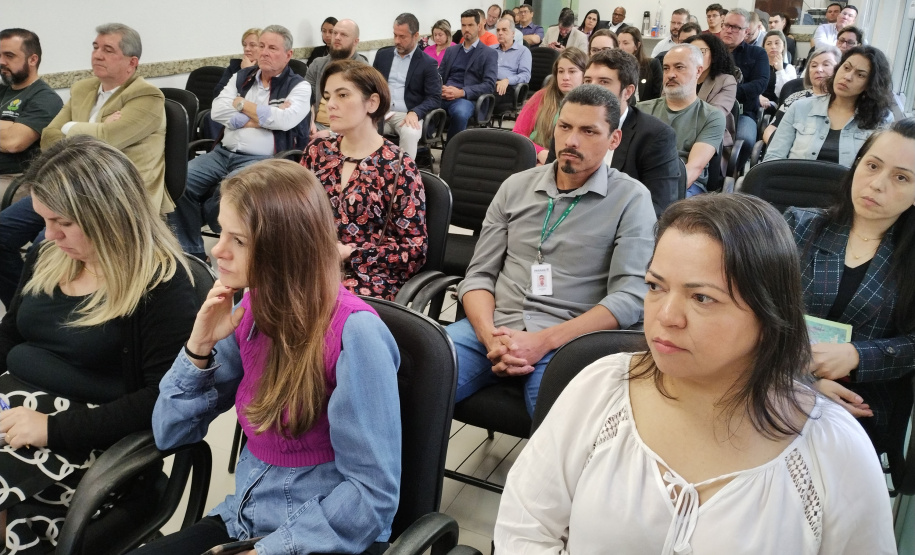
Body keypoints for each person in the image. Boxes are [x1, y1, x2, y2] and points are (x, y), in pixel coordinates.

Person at [494, 193, 896, 554]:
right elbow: (525, 526)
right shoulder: (601, 388)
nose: (665, 317)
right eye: (655, 286)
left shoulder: (834, 450)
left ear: (768, 312)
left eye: (702, 297)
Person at [130, 159, 401, 555]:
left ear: (283, 249)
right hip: (244, 518)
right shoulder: (253, 308)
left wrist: (268, 551)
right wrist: (199, 346)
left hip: (320, 536)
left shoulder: (355, 335)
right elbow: (170, 430)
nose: (217, 250)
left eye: (237, 241)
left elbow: (372, 496)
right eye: (220, 232)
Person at [0, 135, 196, 554]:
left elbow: (157, 400)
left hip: (87, 438)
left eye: (62, 223)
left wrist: (52, 429)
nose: (49, 235)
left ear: (107, 215)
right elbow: (11, 333)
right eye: (44, 221)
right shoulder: (52, 255)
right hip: (14, 410)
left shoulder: (163, 285)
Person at [448, 84, 655, 415]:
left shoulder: (631, 199)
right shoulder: (516, 187)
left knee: (559, 434)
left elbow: (630, 298)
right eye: (565, 127)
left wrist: (542, 342)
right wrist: (490, 337)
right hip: (496, 328)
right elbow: (479, 276)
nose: (572, 141)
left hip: (570, 340)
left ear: (614, 139)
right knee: (409, 383)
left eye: (589, 131)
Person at [784, 119, 915, 477]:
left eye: (901, 177)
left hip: (861, 402)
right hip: (778, 376)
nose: (877, 184)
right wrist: (805, 380)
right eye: (872, 166)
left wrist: (858, 355)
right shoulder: (799, 226)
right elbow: (758, 312)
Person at [1, 23, 164, 309]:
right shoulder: (82, 88)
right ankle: (23, 305)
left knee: (47, 247)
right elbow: (50, 138)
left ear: (132, 62)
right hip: (66, 186)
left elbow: (109, 139)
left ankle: (61, 315)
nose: (97, 55)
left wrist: (72, 127)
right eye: (95, 47)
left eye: (108, 49)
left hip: (111, 193)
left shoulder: (147, 96)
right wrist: (93, 128)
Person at [169, 25, 312, 262]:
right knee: (177, 182)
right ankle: (193, 254)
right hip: (222, 153)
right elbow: (216, 111)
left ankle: (229, 239)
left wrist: (239, 104)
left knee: (227, 195)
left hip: (264, 159)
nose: (264, 52)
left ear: (288, 54)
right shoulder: (241, 77)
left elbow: (284, 121)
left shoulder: (299, 86)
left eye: (272, 48)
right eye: (262, 46)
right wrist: (260, 118)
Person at [301, 60, 427, 301]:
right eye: (327, 96)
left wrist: (352, 253)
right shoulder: (317, 151)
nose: (330, 105)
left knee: (323, 307)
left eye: (343, 95)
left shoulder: (399, 167)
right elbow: (296, 212)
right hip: (311, 265)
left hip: (366, 275)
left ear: (372, 102)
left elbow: (415, 250)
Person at [578, 50, 680, 216]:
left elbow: (658, 208)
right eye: (588, 81)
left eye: (604, 82)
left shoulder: (655, 136)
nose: (592, 89)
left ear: (628, 91)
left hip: (620, 226)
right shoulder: (568, 127)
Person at [764, 46, 894, 167]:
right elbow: (774, 157)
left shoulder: (881, 118)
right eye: (846, 68)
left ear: (871, 84)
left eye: (860, 75)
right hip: (795, 186)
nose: (847, 77)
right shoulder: (800, 108)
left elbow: (879, 169)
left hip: (847, 191)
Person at [639, 44, 725, 195]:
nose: (670, 74)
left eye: (679, 67)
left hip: (685, 185)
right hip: (640, 180)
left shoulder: (712, 116)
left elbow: (693, 169)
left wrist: (653, 195)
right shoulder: (641, 110)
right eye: (666, 68)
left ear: (698, 71)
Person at [0, 29, 62, 190]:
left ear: (33, 59)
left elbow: (13, 142)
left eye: (9, 56)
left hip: (14, 180)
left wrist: (11, 131)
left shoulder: (45, 98)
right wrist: (8, 126)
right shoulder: (2, 90)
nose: (2, 61)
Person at [373, 13, 442, 158]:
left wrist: (416, 112)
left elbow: (434, 98)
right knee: (359, 127)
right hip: (382, 112)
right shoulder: (383, 56)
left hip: (407, 114)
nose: (397, 41)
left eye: (402, 37)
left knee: (410, 133)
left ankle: (404, 175)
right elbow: (372, 86)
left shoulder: (427, 63)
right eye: (395, 35)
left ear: (415, 35)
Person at [513, 47, 587, 165]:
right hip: (533, 157)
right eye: (561, 71)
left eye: (572, 71)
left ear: (585, 75)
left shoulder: (591, 105)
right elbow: (517, 133)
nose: (565, 77)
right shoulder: (541, 96)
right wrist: (539, 152)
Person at [438, 10, 498, 140]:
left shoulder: (489, 53)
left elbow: (489, 85)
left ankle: (451, 151)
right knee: (421, 104)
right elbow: (439, 76)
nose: (466, 29)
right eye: (463, 25)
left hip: (467, 98)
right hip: (444, 94)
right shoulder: (451, 51)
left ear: (479, 26)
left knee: (460, 113)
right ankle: (422, 150)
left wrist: (461, 92)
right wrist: (441, 88)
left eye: (470, 25)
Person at [763, 46, 840, 143]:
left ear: (839, 69)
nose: (819, 69)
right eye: (814, 65)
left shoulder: (842, 101)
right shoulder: (795, 98)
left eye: (826, 64)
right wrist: (779, 149)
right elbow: (771, 129)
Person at [306, 19, 367, 134]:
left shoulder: (363, 70)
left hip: (348, 131)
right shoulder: (317, 64)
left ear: (355, 41)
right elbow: (307, 98)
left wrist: (331, 133)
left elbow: (363, 116)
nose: (337, 37)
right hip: (315, 126)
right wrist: (309, 122)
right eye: (335, 33)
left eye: (343, 34)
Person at [719, 8, 769, 147]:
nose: (729, 30)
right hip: (710, 109)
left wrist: (728, 92)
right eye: (726, 25)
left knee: (745, 141)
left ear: (746, 32)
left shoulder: (757, 53)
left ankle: (733, 169)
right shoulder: (711, 52)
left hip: (743, 112)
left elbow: (761, 83)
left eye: (735, 27)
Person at [684, 33, 737, 147]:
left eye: (701, 52)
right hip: (678, 133)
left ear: (713, 55)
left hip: (711, 137)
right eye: (691, 52)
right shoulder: (677, 78)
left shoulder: (726, 81)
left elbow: (714, 115)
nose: (695, 57)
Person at [491, 16, 532, 112]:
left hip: (509, 87)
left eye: (504, 30)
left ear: (513, 33)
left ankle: (476, 122)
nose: (500, 33)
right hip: (490, 82)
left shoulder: (523, 51)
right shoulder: (491, 49)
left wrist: (507, 80)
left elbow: (526, 75)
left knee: (487, 97)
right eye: (498, 30)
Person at [617, 26, 662, 102]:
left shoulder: (652, 65)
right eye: (618, 43)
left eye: (625, 43)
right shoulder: (613, 67)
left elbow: (657, 97)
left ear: (637, 45)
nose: (620, 47)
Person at [213, 28, 261, 97]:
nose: (246, 49)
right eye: (244, 45)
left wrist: (247, 72)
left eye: (252, 45)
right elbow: (218, 93)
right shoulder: (234, 67)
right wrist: (243, 72)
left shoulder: (266, 70)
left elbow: (257, 97)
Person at [759, 30, 797, 112]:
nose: (773, 46)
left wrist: (780, 70)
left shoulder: (789, 68)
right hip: (757, 101)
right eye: (769, 44)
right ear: (764, 47)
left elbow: (786, 95)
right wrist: (758, 96)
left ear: (783, 46)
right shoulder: (758, 66)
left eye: (777, 43)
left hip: (777, 108)